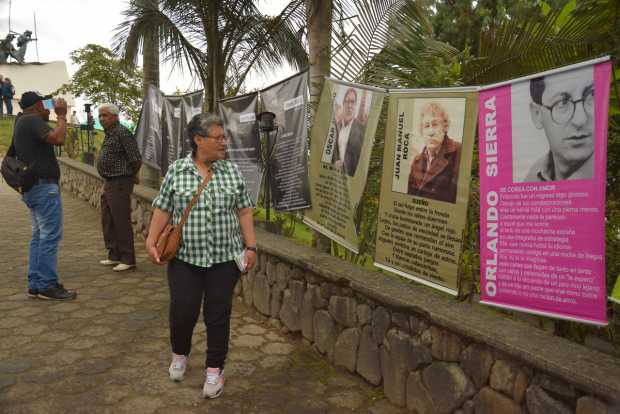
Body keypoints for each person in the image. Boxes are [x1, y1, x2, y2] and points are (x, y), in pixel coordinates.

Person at [145, 113, 256, 399]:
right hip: (185, 259)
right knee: (183, 311)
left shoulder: (231, 171)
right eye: (218, 137)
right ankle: (180, 354)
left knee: (218, 315)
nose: (224, 142)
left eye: (224, 137)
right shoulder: (177, 170)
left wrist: (251, 246)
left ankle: (214, 370)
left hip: (224, 260)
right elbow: (163, 208)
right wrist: (151, 239)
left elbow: (244, 210)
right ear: (198, 139)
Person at [13, 91, 77, 300]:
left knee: (39, 237)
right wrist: (61, 115)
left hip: (33, 188)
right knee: (50, 236)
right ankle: (48, 285)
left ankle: (36, 283)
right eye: (45, 103)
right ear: (38, 105)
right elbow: (58, 138)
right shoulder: (32, 120)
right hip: (44, 188)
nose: (48, 107)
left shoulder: (21, 121)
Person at [525, 69, 594, 182]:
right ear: (537, 114)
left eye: (592, 95)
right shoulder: (535, 175)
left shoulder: (601, 174)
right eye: (562, 102)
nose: (580, 120)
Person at [96, 103, 142, 272]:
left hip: (120, 182)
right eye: (100, 116)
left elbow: (136, 158)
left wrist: (131, 175)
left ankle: (128, 258)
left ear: (115, 116)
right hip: (109, 182)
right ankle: (114, 255)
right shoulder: (109, 134)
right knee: (108, 219)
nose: (101, 119)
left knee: (121, 220)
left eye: (105, 115)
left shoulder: (123, 133)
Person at [407, 102, 462, 203]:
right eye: (426, 126)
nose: (431, 132)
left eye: (435, 124)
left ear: (445, 127)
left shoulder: (459, 152)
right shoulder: (416, 161)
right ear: (422, 131)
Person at [332, 88, 366, 176]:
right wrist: (334, 163)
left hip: (351, 182)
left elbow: (362, 160)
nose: (349, 105)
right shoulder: (335, 127)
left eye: (352, 101)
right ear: (343, 104)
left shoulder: (362, 129)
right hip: (334, 180)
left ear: (355, 105)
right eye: (347, 101)